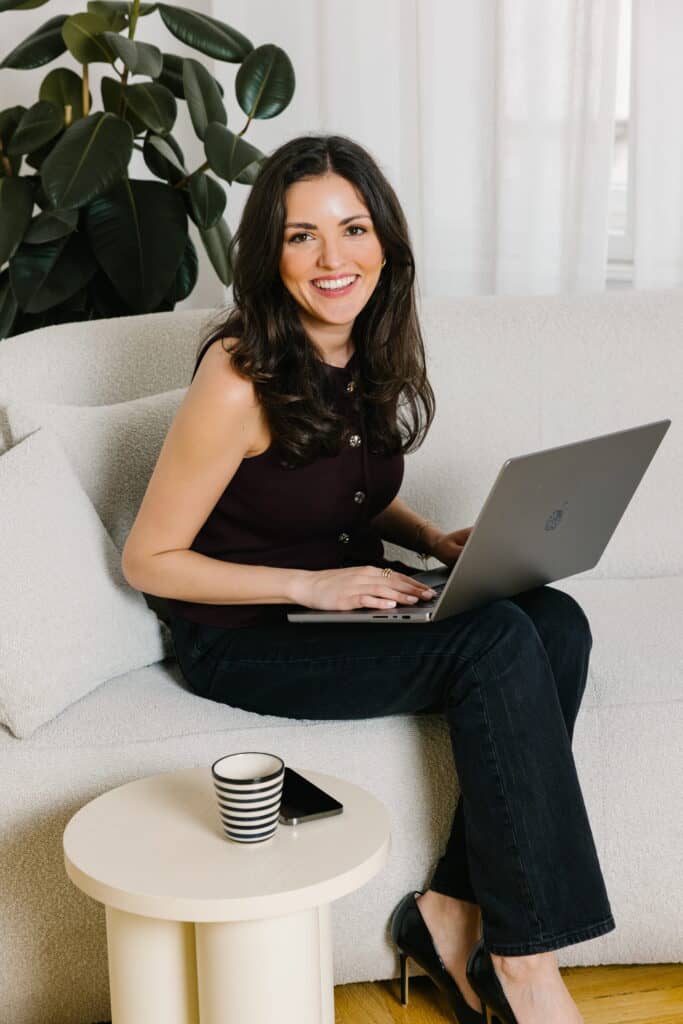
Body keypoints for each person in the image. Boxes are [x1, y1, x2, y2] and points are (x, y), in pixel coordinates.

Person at [121, 134, 615, 1024]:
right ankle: (527, 969)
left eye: (351, 229)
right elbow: (149, 558)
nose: (332, 258)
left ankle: (450, 911)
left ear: (386, 242)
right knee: (497, 643)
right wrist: (311, 589)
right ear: (268, 255)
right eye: (301, 235)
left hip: (339, 598)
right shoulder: (238, 376)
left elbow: (329, 488)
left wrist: (429, 538)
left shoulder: (366, 351)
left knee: (556, 620)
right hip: (244, 638)